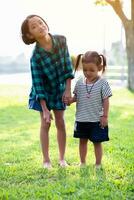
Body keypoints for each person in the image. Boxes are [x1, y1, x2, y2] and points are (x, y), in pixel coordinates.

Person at [21, 14, 74, 169]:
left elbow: (67, 67)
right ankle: (46, 160)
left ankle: (62, 159)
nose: (40, 26)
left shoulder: (61, 40)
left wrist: (67, 90)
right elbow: (37, 83)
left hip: (59, 88)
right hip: (43, 91)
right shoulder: (35, 57)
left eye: (40, 22)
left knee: (60, 122)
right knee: (45, 124)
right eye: (34, 26)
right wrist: (44, 109)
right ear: (30, 35)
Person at [68, 51, 112, 168]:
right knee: (82, 142)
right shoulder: (79, 82)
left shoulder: (103, 83)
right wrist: (70, 101)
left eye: (91, 70)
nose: (88, 73)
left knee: (97, 143)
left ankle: (98, 163)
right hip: (81, 119)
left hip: (97, 120)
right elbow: (76, 97)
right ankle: (82, 162)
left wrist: (105, 116)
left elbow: (106, 100)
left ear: (99, 67)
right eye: (85, 70)